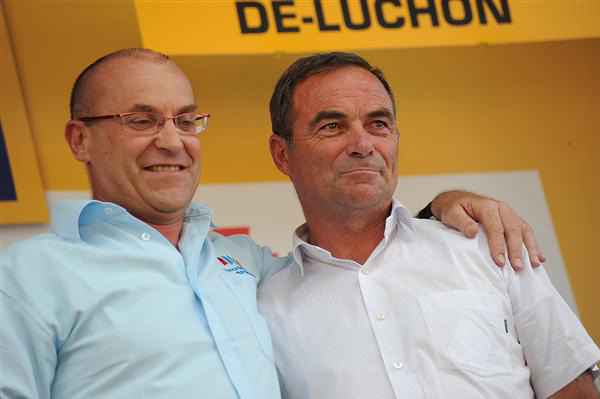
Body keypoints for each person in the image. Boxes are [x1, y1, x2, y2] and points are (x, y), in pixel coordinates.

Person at [0, 48, 542, 399]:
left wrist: (448, 205)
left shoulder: (252, 267)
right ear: (80, 140)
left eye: (186, 120)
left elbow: (356, 253)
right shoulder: (26, 275)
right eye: (141, 120)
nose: (172, 140)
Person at [258, 52, 600, 399]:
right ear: (282, 154)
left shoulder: (488, 245)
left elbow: (573, 390)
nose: (364, 145)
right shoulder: (263, 309)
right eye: (332, 126)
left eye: (379, 124)